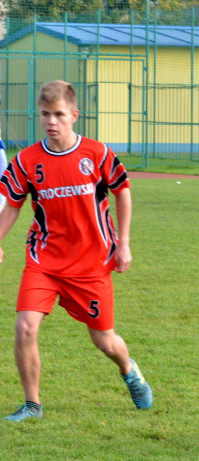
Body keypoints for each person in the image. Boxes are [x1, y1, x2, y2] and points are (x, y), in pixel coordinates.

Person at [0, 80, 153, 422]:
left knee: (104, 341)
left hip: (92, 263)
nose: (51, 121)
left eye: (58, 114)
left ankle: (129, 371)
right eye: (44, 114)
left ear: (74, 115)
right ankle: (32, 405)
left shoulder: (97, 153)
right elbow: (12, 205)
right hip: (44, 261)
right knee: (25, 326)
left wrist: (123, 244)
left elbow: (122, 192)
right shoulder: (27, 161)